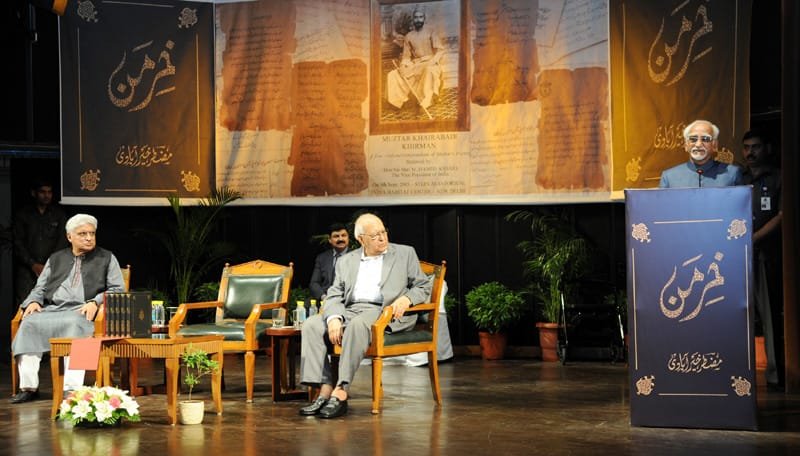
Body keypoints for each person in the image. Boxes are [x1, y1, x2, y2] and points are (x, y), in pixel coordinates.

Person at [299, 213, 432, 418]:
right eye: (375, 235)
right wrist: (334, 317)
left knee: (358, 324)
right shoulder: (347, 260)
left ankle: (341, 389)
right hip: (351, 309)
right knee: (312, 325)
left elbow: (423, 286)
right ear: (361, 239)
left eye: (383, 232)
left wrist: (407, 299)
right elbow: (335, 293)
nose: (382, 238)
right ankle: (324, 388)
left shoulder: (405, 253)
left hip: (384, 311)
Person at [10, 213, 125, 404]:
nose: (89, 238)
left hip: (83, 311)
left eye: (92, 233)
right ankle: (28, 387)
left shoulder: (106, 258)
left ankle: (73, 389)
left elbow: (118, 289)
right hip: (53, 310)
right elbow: (40, 287)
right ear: (69, 237)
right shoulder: (56, 258)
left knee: (77, 324)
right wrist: (33, 301)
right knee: (28, 323)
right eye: (83, 234)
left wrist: (95, 302)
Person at [741, 129, 783, 386]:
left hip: (766, 255)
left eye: (755, 146)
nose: (750, 152)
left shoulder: (778, 177)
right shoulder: (738, 178)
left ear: (767, 148)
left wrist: (753, 238)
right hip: (735, 258)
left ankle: (776, 377)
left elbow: (781, 216)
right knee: (735, 316)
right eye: (746, 147)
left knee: (769, 319)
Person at [13, 178, 68, 307]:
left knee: (51, 304)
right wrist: (33, 264)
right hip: (27, 269)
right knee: (24, 305)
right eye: (42, 192)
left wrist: (49, 264)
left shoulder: (58, 214)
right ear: (34, 193)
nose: (46, 195)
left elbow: (63, 240)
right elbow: (18, 242)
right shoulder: (23, 214)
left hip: (53, 267)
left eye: (49, 192)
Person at [386, 8, 445, 111]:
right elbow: (406, 56)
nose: (418, 20)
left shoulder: (431, 32)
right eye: (416, 17)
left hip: (430, 62)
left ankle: (425, 101)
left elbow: (440, 50)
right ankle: (398, 101)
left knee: (429, 71)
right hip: (416, 64)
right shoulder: (409, 36)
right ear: (413, 19)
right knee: (393, 74)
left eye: (420, 17)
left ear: (424, 19)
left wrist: (432, 62)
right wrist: (403, 66)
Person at [659, 119, 744, 188]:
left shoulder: (732, 174)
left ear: (714, 145)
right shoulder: (669, 177)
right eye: (693, 139)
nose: (698, 144)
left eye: (705, 139)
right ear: (686, 145)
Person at [309, 223, 350, 302]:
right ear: (330, 240)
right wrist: (323, 297)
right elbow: (314, 283)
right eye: (336, 236)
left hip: (346, 299)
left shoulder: (356, 257)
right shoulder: (322, 258)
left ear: (348, 238)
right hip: (324, 298)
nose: (340, 239)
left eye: (343, 235)